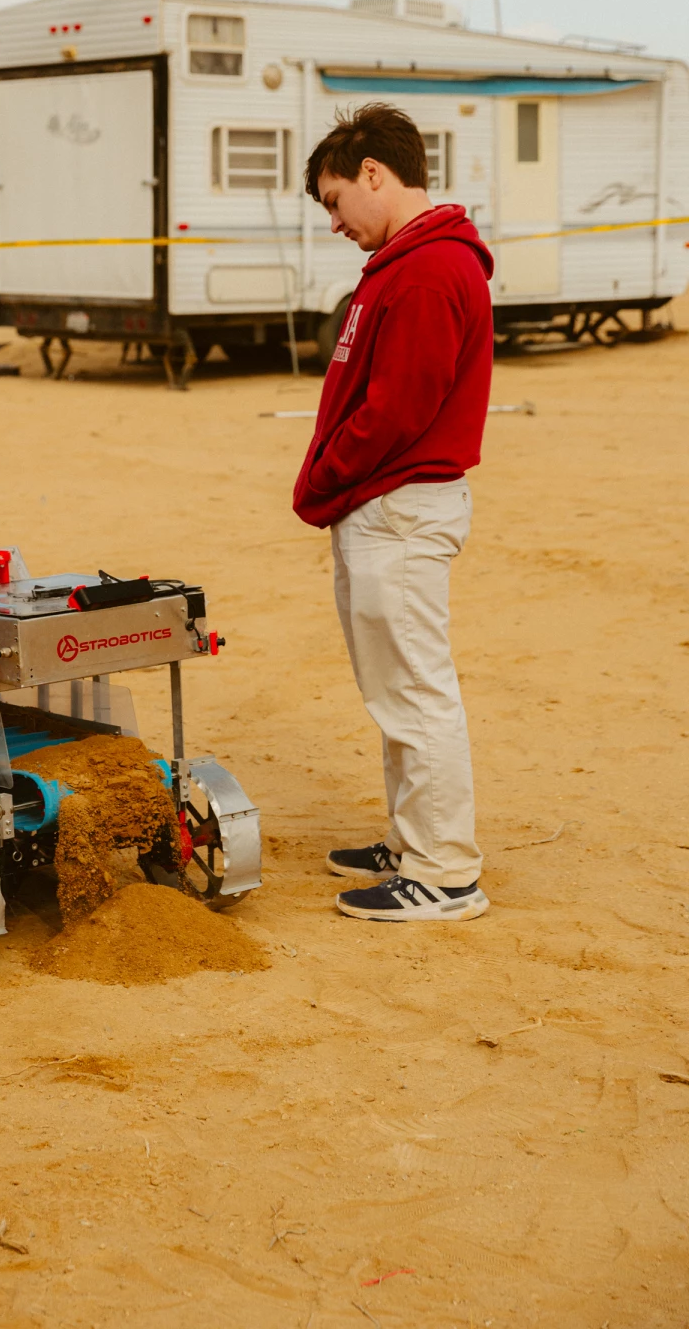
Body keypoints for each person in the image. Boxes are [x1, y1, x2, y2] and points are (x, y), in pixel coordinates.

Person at [293, 103, 494, 923]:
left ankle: (445, 872)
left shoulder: (428, 270)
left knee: (414, 692)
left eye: (337, 200)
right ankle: (416, 839)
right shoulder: (404, 263)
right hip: (384, 507)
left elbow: (396, 410)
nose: (336, 222)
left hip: (400, 509)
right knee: (395, 691)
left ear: (374, 173)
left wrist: (322, 483)